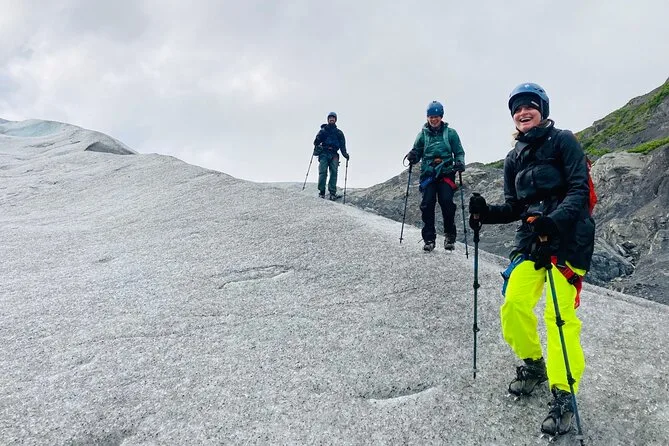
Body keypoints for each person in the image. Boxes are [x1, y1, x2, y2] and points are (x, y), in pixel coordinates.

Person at [468, 82, 595, 437]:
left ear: (542, 109)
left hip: (568, 241)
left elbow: (579, 190)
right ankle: (535, 364)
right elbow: (515, 207)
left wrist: (553, 222)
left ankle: (564, 393)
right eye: (517, 109)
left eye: (530, 106)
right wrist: (485, 214)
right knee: (514, 304)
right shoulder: (514, 158)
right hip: (531, 242)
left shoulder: (564, 141)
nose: (523, 112)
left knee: (559, 317)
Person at [406, 101, 465, 251]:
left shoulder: (451, 133)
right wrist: (413, 156)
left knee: (447, 203)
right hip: (429, 174)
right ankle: (429, 239)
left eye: (436, 116)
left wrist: (459, 163)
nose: (434, 119)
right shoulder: (422, 135)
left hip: (446, 173)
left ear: (441, 116)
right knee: (427, 204)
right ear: (427, 117)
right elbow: (417, 152)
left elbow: (459, 152)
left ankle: (450, 237)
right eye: (431, 117)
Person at [313, 112, 349, 200]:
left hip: (334, 154)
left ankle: (332, 193)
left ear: (335, 120)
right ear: (328, 119)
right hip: (324, 153)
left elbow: (342, 145)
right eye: (330, 118)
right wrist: (317, 139)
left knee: (334, 173)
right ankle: (322, 192)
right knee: (323, 172)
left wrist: (345, 154)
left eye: (333, 118)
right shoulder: (323, 131)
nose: (331, 119)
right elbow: (316, 142)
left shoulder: (339, 133)